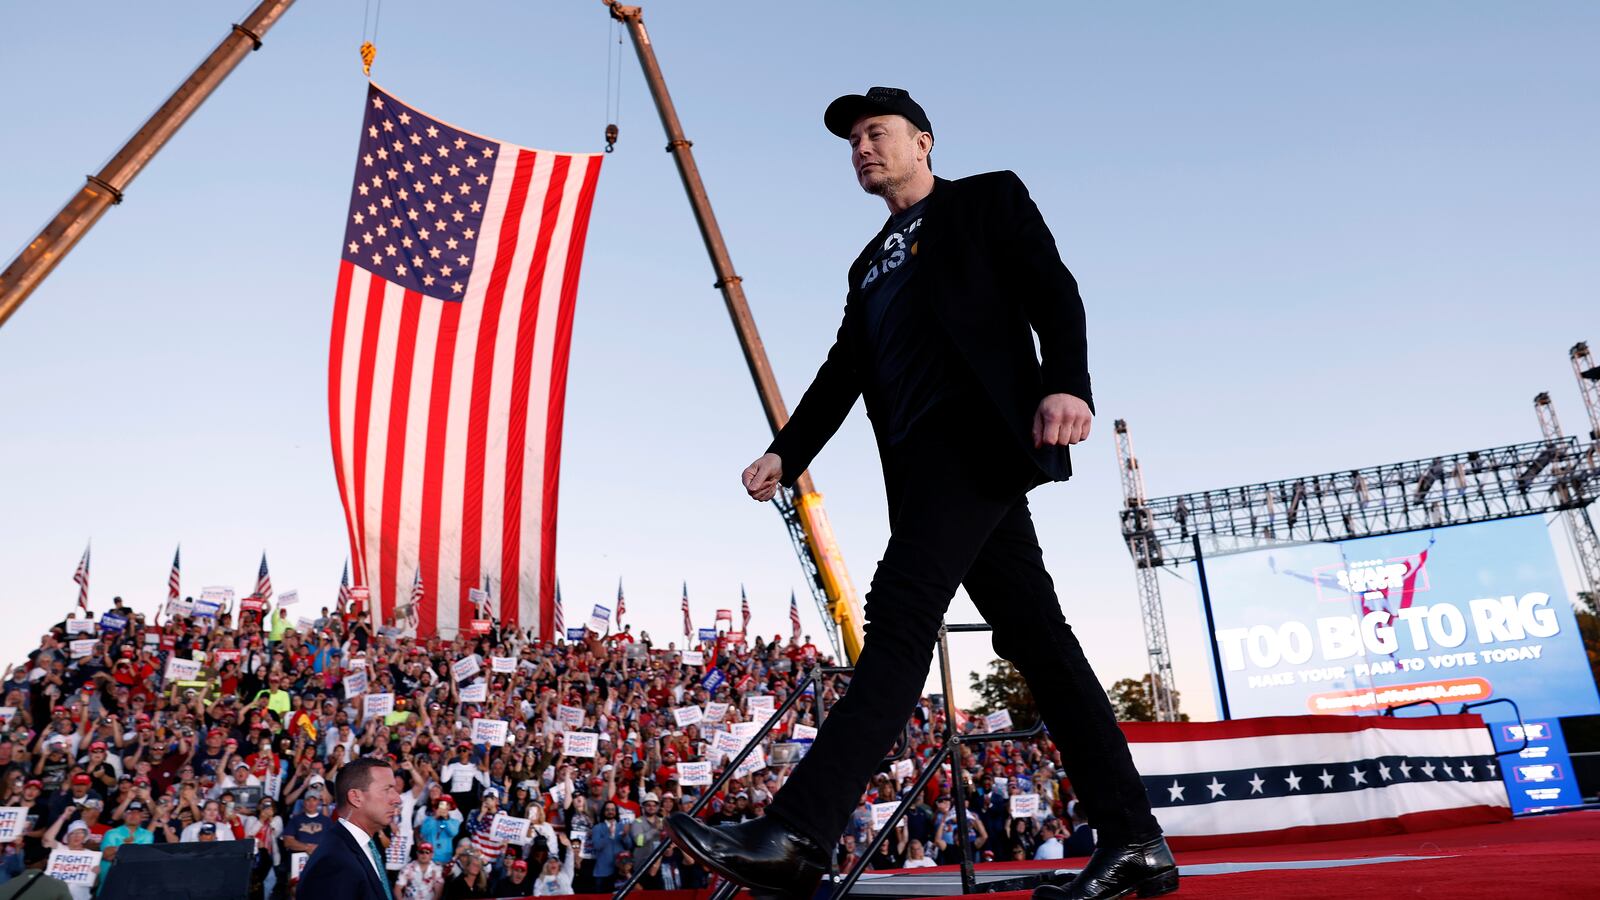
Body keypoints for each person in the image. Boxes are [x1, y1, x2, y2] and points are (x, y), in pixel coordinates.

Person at [667, 86, 1174, 900]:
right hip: (922, 471)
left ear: (924, 142)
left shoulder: (987, 200)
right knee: (1040, 642)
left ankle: (797, 833)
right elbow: (843, 375)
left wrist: (1068, 385)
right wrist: (785, 453)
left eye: (877, 133)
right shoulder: (867, 265)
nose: (862, 148)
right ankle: (1135, 840)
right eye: (853, 140)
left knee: (900, 620)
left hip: (977, 446)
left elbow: (1055, 291)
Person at [296, 758, 402, 899]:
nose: (397, 799)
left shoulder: (366, 846)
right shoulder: (332, 862)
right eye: (387, 789)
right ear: (356, 797)